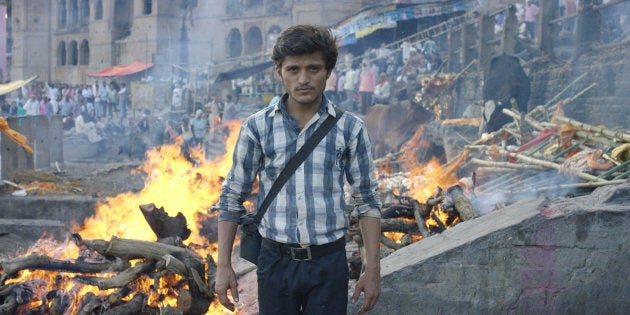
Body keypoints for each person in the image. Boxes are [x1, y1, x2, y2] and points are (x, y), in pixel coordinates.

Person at [214, 24, 382, 315]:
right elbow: (231, 198)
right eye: (293, 69)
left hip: (328, 263)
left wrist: (373, 270)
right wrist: (223, 266)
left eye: (313, 68)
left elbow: (367, 201)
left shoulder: (350, 128)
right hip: (275, 262)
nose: (304, 79)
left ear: (328, 72)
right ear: (279, 71)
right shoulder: (257, 127)